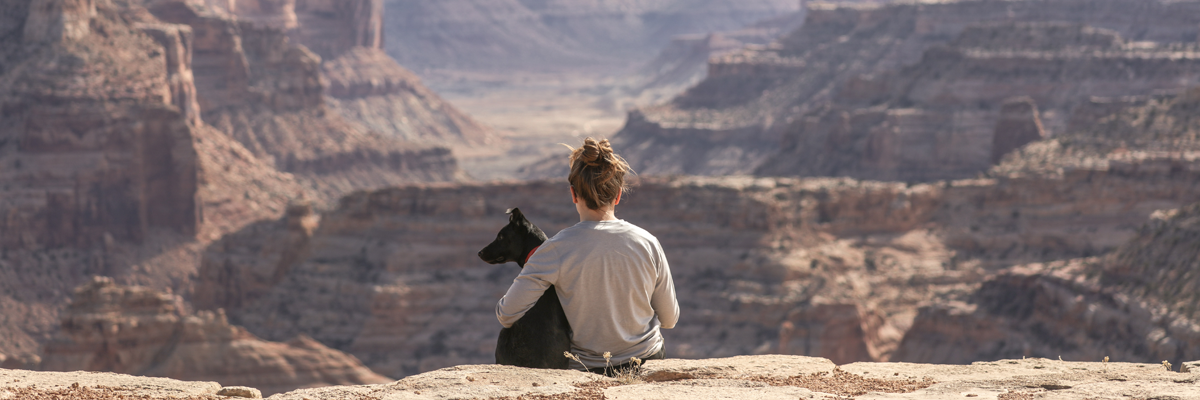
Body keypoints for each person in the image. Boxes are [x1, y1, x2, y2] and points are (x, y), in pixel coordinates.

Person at [496, 137, 679, 375]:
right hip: (647, 361)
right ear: (618, 195)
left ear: (573, 194)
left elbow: (506, 314)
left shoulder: (554, 250)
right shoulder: (648, 243)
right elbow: (670, 319)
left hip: (588, 369)